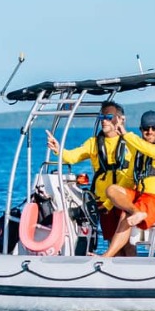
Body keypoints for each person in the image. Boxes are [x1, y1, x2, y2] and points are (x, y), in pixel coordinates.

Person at [45, 101, 135, 255]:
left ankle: (134, 274)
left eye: (108, 117)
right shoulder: (93, 143)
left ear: (120, 119)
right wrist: (59, 150)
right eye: (101, 117)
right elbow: (73, 156)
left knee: (127, 243)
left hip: (123, 199)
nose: (104, 120)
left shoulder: (131, 141)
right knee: (111, 240)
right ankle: (115, 271)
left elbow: (131, 175)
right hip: (102, 200)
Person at [101, 109, 155, 258]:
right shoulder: (139, 151)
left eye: (154, 128)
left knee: (125, 214)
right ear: (141, 130)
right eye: (146, 128)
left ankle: (107, 256)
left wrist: (126, 134)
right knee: (112, 190)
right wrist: (108, 205)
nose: (150, 132)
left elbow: (149, 149)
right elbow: (129, 178)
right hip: (144, 197)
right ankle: (135, 213)